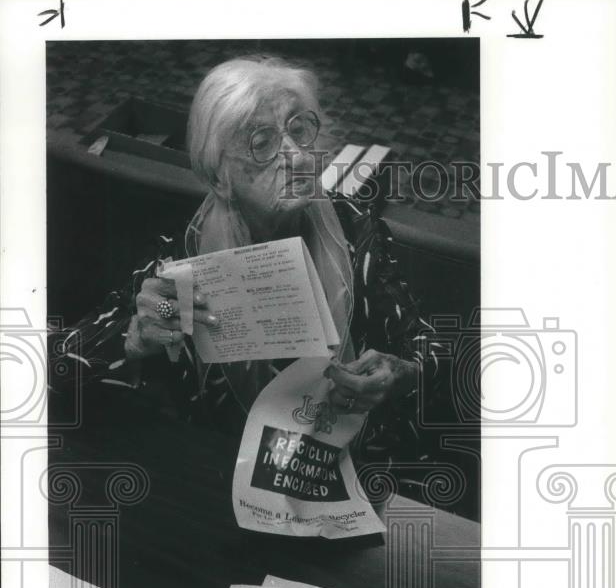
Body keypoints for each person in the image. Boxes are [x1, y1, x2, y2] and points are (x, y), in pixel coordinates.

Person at [51, 54, 442, 487]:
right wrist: (134, 336)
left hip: (349, 468)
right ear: (220, 178)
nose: (294, 157)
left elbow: (427, 346)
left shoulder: (355, 228)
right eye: (261, 143)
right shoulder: (184, 260)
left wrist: (400, 373)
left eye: (298, 130)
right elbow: (57, 367)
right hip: (225, 477)